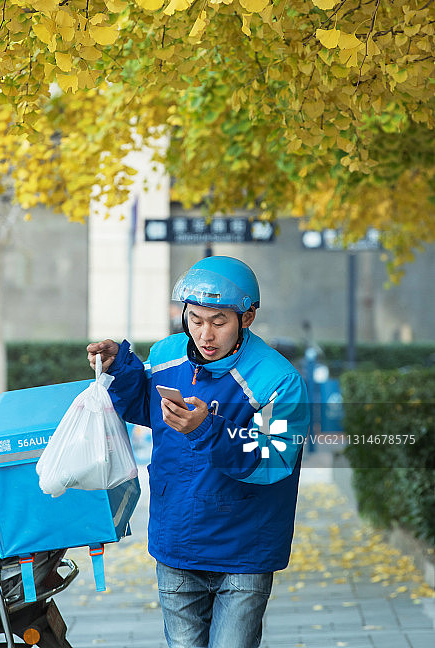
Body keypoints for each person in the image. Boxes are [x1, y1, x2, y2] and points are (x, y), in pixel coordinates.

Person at [87, 256, 309, 648]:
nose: (205, 334)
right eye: (195, 319)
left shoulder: (280, 381)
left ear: (248, 317)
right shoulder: (167, 354)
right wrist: (119, 368)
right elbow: (148, 410)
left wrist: (208, 429)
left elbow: (275, 462)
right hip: (177, 542)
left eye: (219, 321)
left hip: (244, 551)